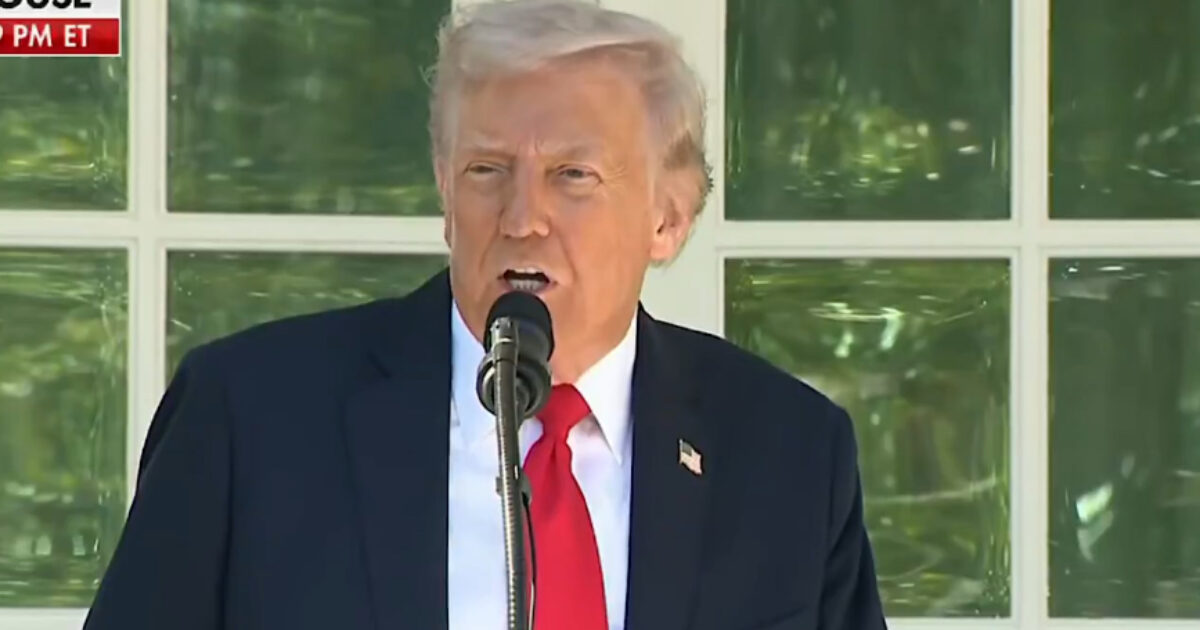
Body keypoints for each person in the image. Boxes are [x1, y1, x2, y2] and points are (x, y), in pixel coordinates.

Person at [83, 1, 886, 628]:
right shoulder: (250, 417)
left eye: (573, 175)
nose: (523, 217)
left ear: (668, 219)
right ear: (444, 193)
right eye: (486, 170)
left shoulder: (787, 453)